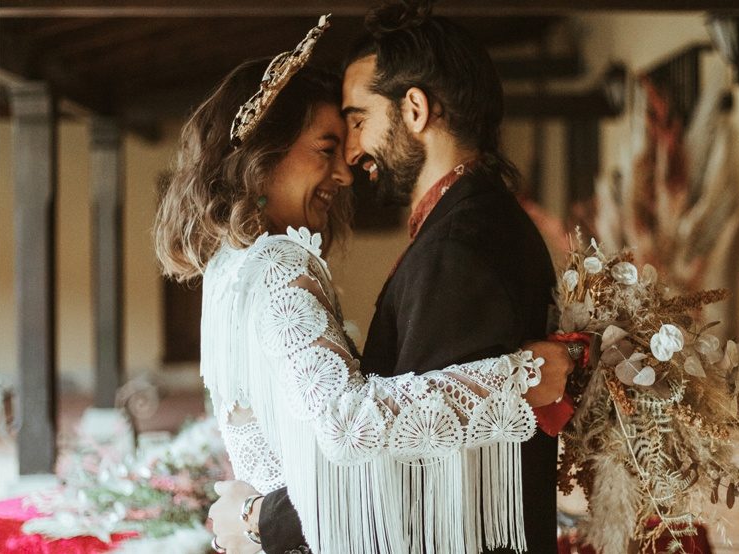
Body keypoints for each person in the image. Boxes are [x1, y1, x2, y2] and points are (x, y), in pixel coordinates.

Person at [154, 13, 574, 554]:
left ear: (416, 110)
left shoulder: (235, 268)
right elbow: (351, 428)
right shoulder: (279, 264)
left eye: (355, 122)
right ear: (263, 161)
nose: (349, 164)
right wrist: (520, 380)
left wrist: (257, 517)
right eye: (327, 147)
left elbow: (399, 458)